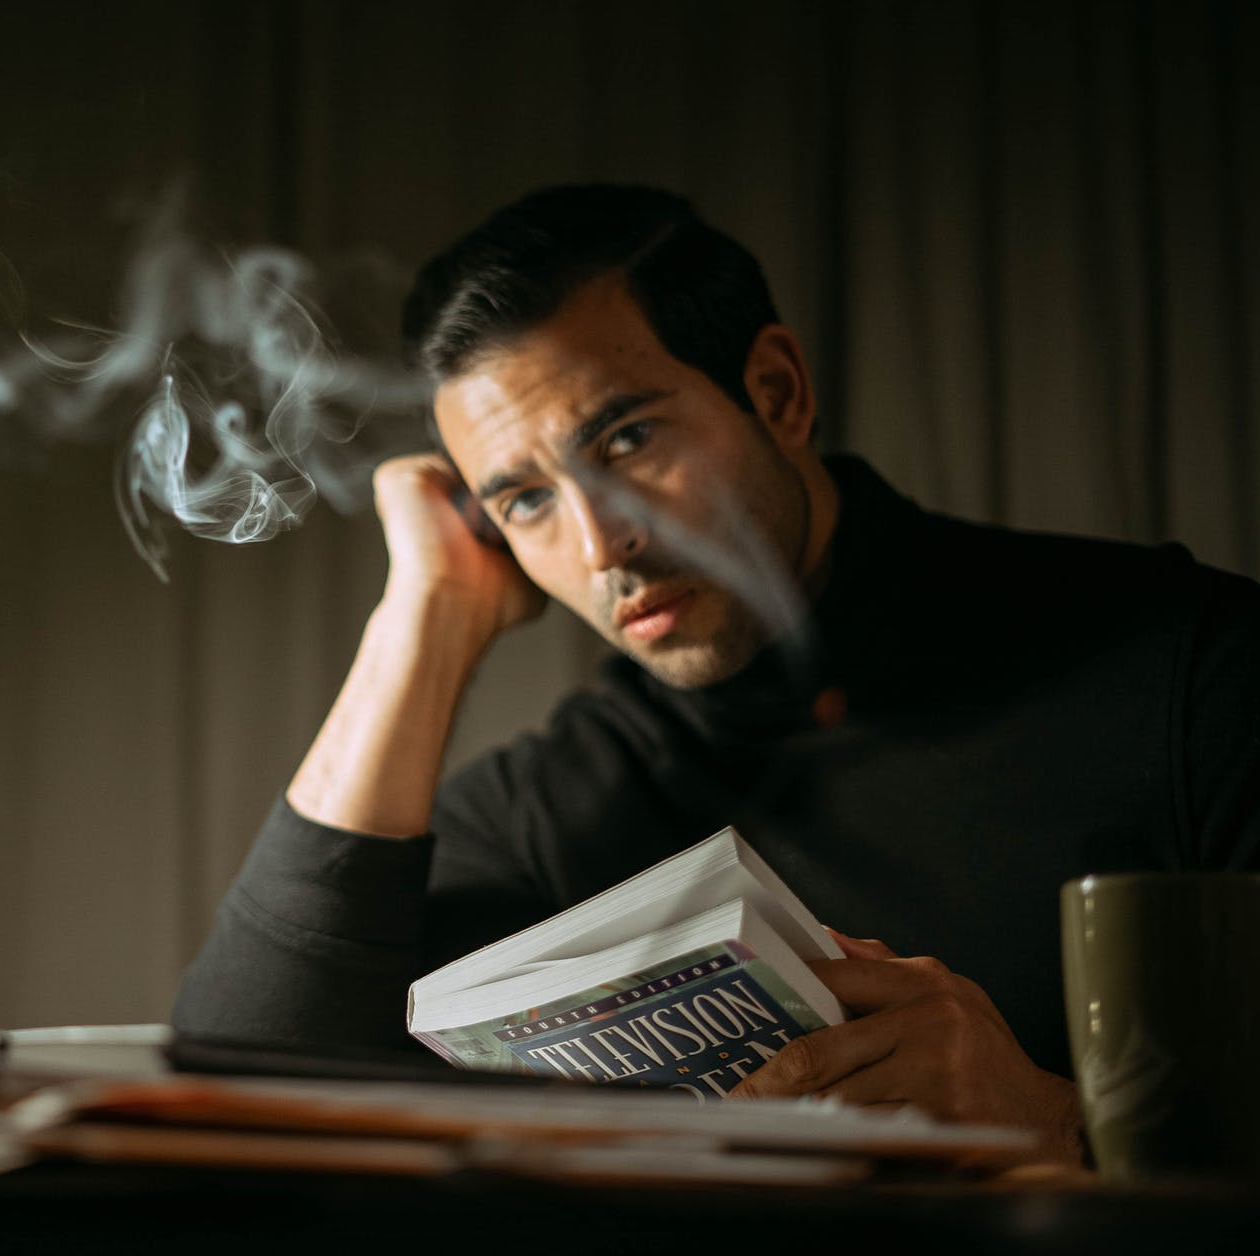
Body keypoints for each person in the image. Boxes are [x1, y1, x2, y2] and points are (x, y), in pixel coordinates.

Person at [171, 185, 1260, 1162]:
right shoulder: (560, 798)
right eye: (524, 499)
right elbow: (227, 1084)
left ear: (776, 391)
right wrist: (422, 620)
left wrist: (1054, 1121)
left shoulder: (1190, 668)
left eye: (627, 438)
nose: (600, 545)